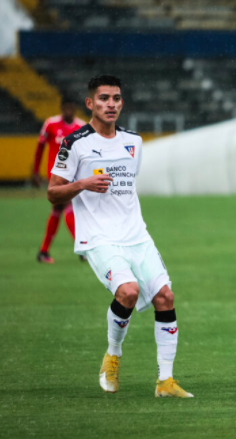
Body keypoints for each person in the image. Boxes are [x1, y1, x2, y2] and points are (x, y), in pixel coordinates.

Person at [47, 75, 192, 398]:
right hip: (99, 238)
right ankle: (112, 356)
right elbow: (53, 193)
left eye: (116, 98)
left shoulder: (133, 141)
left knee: (165, 298)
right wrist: (83, 184)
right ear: (90, 103)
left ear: (122, 103)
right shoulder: (74, 143)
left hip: (137, 236)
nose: (110, 104)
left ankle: (165, 382)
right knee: (128, 292)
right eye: (103, 98)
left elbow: (126, 187)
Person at [32, 97, 86, 263]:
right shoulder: (51, 124)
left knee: (57, 209)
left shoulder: (81, 127)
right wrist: (35, 171)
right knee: (68, 206)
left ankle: (43, 251)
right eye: (66, 108)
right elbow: (40, 147)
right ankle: (82, 249)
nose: (68, 111)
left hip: (73, 174)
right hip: (55, 175)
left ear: (74, 108)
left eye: (71, 108)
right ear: (62, 108)